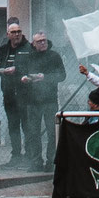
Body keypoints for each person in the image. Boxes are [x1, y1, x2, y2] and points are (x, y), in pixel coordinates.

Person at [13, 30, 64, 166]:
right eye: (39, 41)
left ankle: (51, 161)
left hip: (50, 100)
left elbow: (62, 75)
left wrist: (45, 77)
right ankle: (36, 162)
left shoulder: (54, 56)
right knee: (33, 133)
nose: (42, 43)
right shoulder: (28, 57)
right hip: (32, 101)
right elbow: (20, 73)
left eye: (44, 40)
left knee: (52, 132)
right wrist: (24, 78)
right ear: (33, 44)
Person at [0, 22, 31, 165]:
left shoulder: (28, 48)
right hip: (8, 92)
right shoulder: (3, 49)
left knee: (27, 124)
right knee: (13, 125)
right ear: (8, 34)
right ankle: (16, 155)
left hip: (25, 93)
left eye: (19, 31)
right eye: (13, 32)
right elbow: (0, 68)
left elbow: (31, 67)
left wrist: (17, 70)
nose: (17, 34)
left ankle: (30, 155)